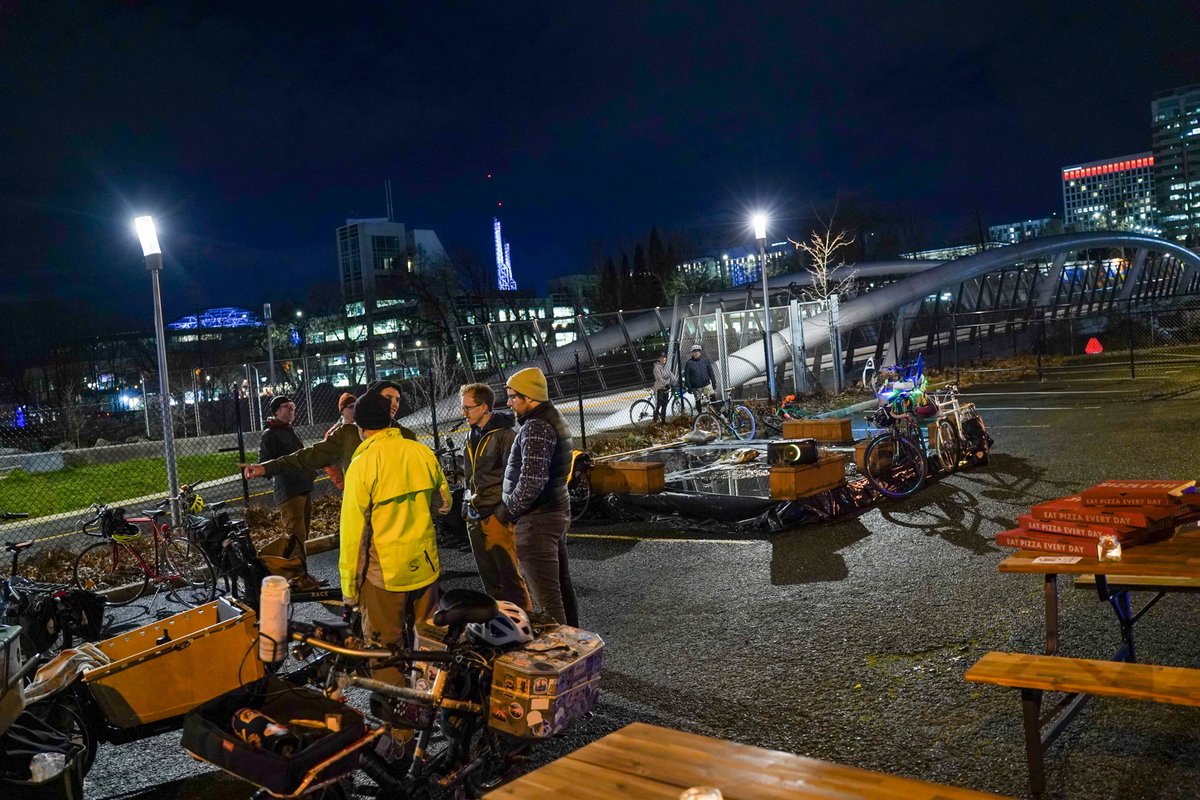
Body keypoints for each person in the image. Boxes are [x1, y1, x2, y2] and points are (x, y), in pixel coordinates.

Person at [339, 391, 449, 688]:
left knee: (385, 648)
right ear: (389, 419)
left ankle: (400, 729)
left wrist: (350, 589)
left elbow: (353, 537)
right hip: (425, 566)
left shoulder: (362, 465)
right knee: (428, 642)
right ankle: (432, 703)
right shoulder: (420, 452)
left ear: (360, 426)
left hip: (384, 574)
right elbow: (444, 503)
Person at [494, 367, 578, 626]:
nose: (508, 403)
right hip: (554, 510)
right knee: (561, 588)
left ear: (528, 397)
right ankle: (577, 648)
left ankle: (562, 657)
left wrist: (510, 510)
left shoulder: (537, 426)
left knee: (547, 601)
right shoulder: (552, 418)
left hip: (538, 520)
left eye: (512, 396)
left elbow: (532, 480)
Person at [242, 380, 417, 491]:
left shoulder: (406, 436)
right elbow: (307, 456)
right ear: (372, 400)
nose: (394, 404)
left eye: (397, 399)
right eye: (388, 398)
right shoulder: (348, 434)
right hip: (365, 519)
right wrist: (266, 467)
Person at [459, 382, 530, 609]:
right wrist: (466, 504)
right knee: (490, 581)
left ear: (484, 407)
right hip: (476, 514)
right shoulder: (471, 436)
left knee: (510, 579)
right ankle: (501, 628)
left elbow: (517, 478)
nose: (464, 412)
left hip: (496, 516)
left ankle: (525, 625)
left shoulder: (507, 435)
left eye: (468, 407)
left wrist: (503, 512)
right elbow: (469, 477)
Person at [258, 396, 314, 550]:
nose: (291, 409)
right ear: (276, 411)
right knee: (296, 538)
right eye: (286, 406)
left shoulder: (290, 430)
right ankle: (296, 573)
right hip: (289, 492)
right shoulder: (270, 434)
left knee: (303, 537)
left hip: (303, 488)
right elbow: (264, 463)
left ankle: (302, 572)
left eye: (292, 405)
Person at [322, 392, 357, 492]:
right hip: (348, 484)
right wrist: (343, 484)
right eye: (351, 406)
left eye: (356, 406)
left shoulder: (363, 428)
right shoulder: (333, 433)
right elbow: (329, 463)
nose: (354, 410)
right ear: (342, 411)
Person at [683, 344, 720, 411]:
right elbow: (687, 375)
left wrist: (713, 382)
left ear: (700, 352)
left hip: (706, 384)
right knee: (698, 401)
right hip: (696, 387)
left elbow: (710, 371)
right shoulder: (689, 363)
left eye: (697, 351)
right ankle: (700, 416)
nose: (696, 353)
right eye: (694, 352)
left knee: (713, 398)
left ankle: (718, 412)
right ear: (692, 353)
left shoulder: (705, 360)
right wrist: (689, 387)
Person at [651, 353, 677, 423]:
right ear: (659, 359)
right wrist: (667, 383)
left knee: (665, 405)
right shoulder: (656, 367)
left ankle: (663, 421)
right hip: (659, 388)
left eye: (665, 357)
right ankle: (654, 421)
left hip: (666, 388)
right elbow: (660, 379)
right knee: (658, 405)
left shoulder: (667, 366)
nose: (664, 359)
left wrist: (676, 381)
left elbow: (671, 375)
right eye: (662, 357)